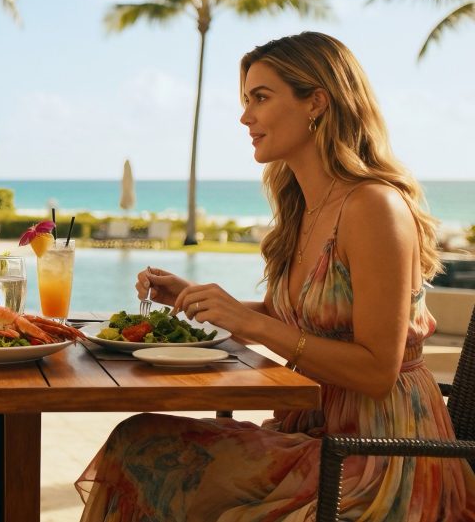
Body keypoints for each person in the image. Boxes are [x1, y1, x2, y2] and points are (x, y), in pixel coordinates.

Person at [76, 32, 475, 521]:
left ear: (317, 103)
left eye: (260, 98)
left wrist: (251, 325)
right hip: (315, 437)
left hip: (381, 457)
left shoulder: (374, 207)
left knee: (153, 463)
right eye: (246, 101)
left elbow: (376, 370)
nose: (246, 117)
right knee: (138, 442)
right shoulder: (303, 207)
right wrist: (200, 300)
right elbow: (309, 317)